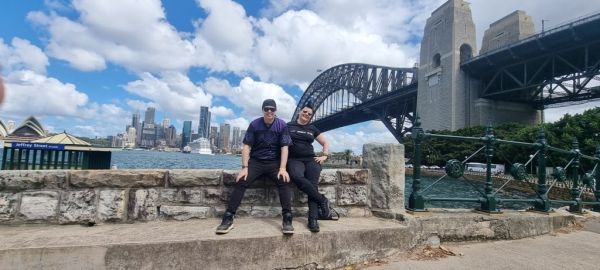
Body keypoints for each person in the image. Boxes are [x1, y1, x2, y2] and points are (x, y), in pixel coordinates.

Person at [216, 99, 294, 235]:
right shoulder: (255, 124)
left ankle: (287, 218)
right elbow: (246, 146)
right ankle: (228, 217)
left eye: (272, 109)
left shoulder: (282, 125)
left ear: (275, 111)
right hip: (256, 162)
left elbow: (284, 148)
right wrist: (245, 167)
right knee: (241, 181)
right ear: (263, 110)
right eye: (266, 109)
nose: (269, 111)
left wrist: (282, 168)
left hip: (274, 163)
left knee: (284, 181)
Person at [287, 104, 337, 233]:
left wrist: (324, 156)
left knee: (312, 186)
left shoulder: (312, 128)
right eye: (305, 112)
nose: (307, 115)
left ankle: (312, 220)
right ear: (299, 112)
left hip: (311, 160)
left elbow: (325, 143)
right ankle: (323, 200)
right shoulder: (288, 126)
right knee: (297, 176)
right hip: (294, 160)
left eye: (309, 114)